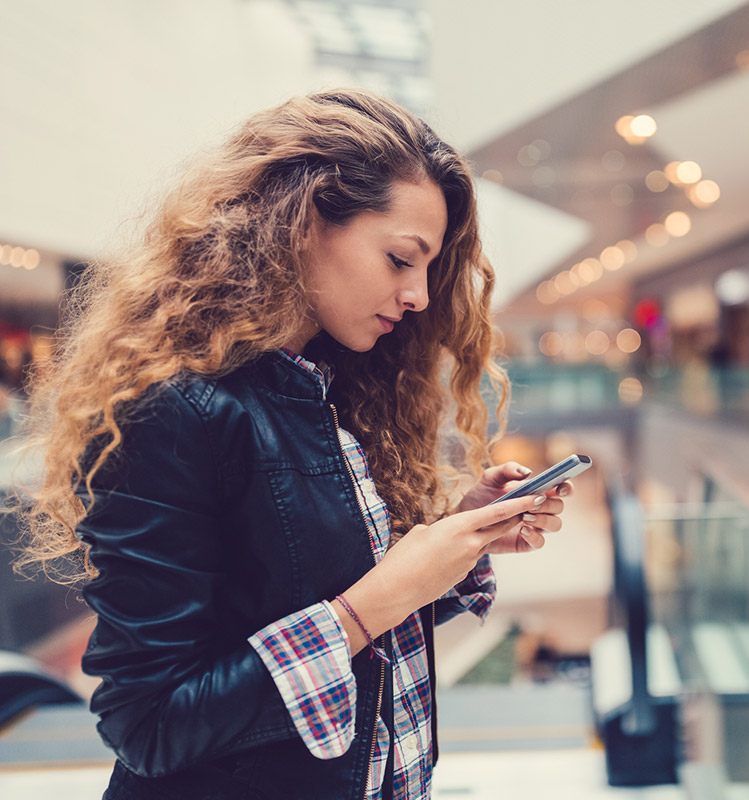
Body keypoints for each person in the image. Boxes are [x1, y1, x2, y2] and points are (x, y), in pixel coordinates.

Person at [14, 89, 571, 799]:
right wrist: (381, 597)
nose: (421, 296)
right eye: (402, 258)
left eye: (429, 269)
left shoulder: (327, 390)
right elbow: (150, 724)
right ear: (306, 222)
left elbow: (318, 615)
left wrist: (455, 545)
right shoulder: (172, 410)